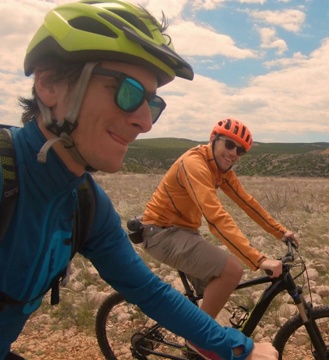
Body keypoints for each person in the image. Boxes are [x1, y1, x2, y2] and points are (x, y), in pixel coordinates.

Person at [0, 1, 277, 359]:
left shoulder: (86, 204)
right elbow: (216, 214)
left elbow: (147, 290)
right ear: (49, 83)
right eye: (127, 92)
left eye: (153, 104)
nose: (145, 122)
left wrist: (238, 348)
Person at [141, 118, 299, 360]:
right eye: (229, 145)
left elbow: (247, 202)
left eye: (240, 151)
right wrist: (258, 259)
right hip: (161, 233)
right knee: (232, 271)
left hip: (183, 232)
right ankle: (197, 342)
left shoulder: (221, 170)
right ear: (213, 140)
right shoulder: (194, 164)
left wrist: (280, 231)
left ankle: (198, 338)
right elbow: (216, 217)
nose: (233, 153)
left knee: (213, 292)